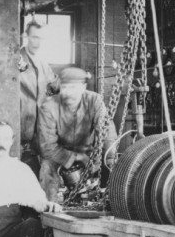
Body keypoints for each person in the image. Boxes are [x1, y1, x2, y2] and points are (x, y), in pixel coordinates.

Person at [37, 66, 116, 199]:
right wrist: (77, 157)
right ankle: (49, 207)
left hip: (89, 153)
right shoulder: (48, 107)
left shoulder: (94, 100)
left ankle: (108, 200)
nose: (68, 92)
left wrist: (108, 159)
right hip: (59, 154)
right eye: (65, 87)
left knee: (111, 165)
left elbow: (106, 130)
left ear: (83, 87)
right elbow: (47, 147)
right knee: (46, 168)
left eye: (73, 87)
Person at [18, 21, 58, 172]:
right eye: (34, 37)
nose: (38, 42)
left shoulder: (43, 64)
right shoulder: (16, 58)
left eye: (41, 38)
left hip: (38, 130)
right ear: (26, 36)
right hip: (18, 126)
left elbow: (54, 85)